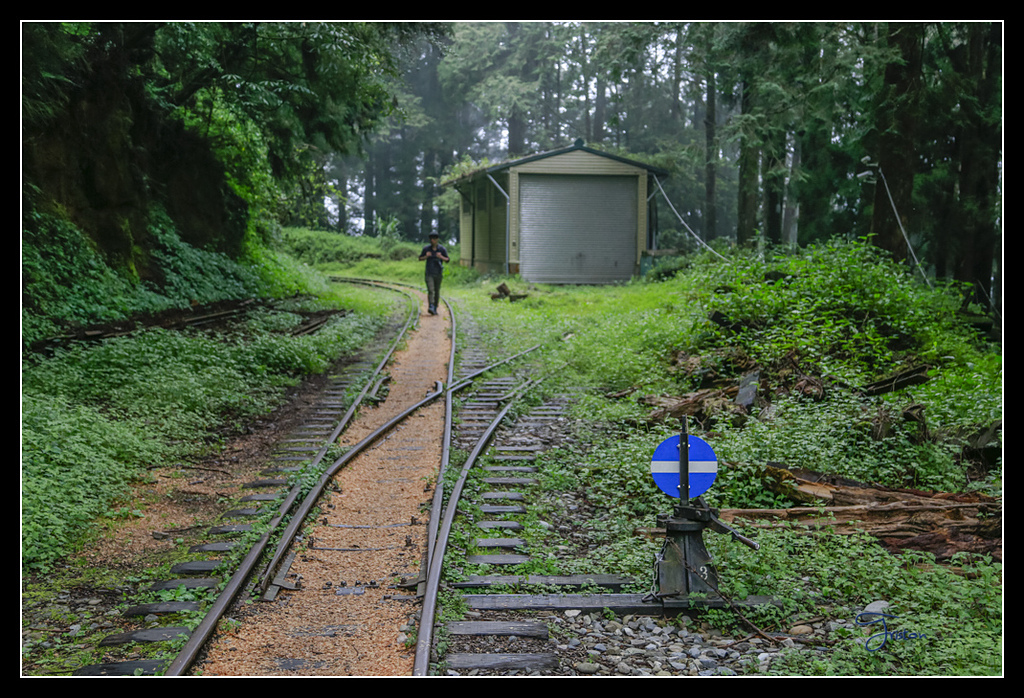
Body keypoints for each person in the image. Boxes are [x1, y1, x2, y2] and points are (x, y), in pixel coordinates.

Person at [419, 232, 449, 315]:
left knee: (437, 291)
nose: (432, 240)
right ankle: (431, 306)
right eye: (431, 239)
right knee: (431, 290)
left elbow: (447, 260)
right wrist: (426, 256)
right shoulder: (426, 249)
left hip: (438, 273)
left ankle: (435, 306)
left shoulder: (442, 249)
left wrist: (441, 257)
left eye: (434, 239)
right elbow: (420, 258)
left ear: (437, 239)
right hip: (429, 273)